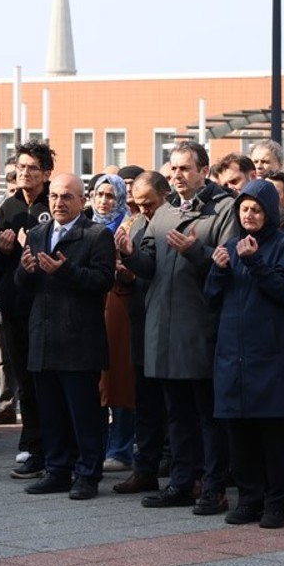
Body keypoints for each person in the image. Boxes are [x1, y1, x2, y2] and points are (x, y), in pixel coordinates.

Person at [116, 141, 238, 516]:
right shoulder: (165, 211)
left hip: (199, 328)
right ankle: (182, 483)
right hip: (163, 329)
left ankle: (214, 487)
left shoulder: (224, 210)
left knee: (207, 414)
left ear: (204, 171)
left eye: (185, 168)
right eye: (172, 169)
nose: (177, 175)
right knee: (176, 414)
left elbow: (229, 266)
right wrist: (130, 254)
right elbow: (149, 265)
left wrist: (194, 251)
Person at [205, 179, 284, 528]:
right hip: (233, 356)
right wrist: (217, 270)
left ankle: (276, 504)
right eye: (244, 208)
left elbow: (283, 291)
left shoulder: (283, 244)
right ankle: (249, 499)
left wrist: (256, 262)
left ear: (269, 213)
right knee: (240, 435)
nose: (249, 214)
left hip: (270, 356)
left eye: (257, 209)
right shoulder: (229, 245)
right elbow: (211, 298)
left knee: (273, 438)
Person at [15, 173, 116, 500]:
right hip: (44, 337)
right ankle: (57, 470)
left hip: (79, 340)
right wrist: (24, 271)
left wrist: (67, 271)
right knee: (51, 412)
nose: (59, 202)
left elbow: (103, 281)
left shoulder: (96, 235)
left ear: (82, 200)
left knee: (84, 413)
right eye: (55, 196)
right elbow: (23, 286)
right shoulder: (38, 233)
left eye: (67, 197)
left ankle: (88, 474)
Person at [0, 140, 55, 478]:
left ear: (46, 173)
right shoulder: (8, 207)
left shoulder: (55, 203)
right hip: (14, 308)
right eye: (20, 168)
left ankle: (53, 445)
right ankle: (30, 442)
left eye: (31, 168)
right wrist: (2, 250)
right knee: (24, 380)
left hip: (48, 307)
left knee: (48, 380)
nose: (24, 174)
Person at [112, 171, 172, 495]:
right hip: (140, 322)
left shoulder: (174, 221)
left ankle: (177, 465)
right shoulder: (133, 225)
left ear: (164, 196)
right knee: (145, 403)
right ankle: (144, 468)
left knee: (174, 404)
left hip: (170, 324)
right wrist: (125, 273)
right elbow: (135, 273)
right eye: (137, 204)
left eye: (148, 204)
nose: (143, 210)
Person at [89, 173, 137, 472]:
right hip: (89, 305)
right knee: (93, 379)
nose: (104, 201)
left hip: (119, 304)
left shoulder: (129, 225)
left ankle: (120, 447)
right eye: (99, 194)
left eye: (110, 195)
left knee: (119, 377)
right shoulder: (85, 226)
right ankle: (97, 444)